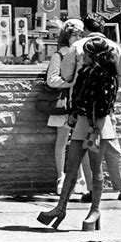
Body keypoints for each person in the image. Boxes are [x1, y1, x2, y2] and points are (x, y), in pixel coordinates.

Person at [37, 36, 121, 231]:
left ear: (96, 56)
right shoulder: (83, 72)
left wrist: (95, 128)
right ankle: (61, 207)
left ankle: (95, 209)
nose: (83, 56)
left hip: (97, 125)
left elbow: (105, 105)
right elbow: (76, 96)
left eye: (87, 54)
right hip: (82, 121)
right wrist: (73, 114)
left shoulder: (107, 76)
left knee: (95, 167)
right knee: (72, 165)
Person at [63, 14, 121, 202]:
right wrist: (108, 86)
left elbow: (66, 73)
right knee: (110, 143)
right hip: (105, 105)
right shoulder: (114, 47)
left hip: (83, 104)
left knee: (86, 145)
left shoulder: (77, 47)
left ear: (85, 28)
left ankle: (93, 192)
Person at [45, 19, 87, 195]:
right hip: (64, 105)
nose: (77, 38)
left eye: (80, 34)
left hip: (80, 104)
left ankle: (81, 180)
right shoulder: (59, 55)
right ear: (66, 37)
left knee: (80, 142)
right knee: (62, 142)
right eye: (73, 35)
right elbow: (52, 79)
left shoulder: (84, 54)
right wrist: (71, 84)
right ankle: (60, 178)